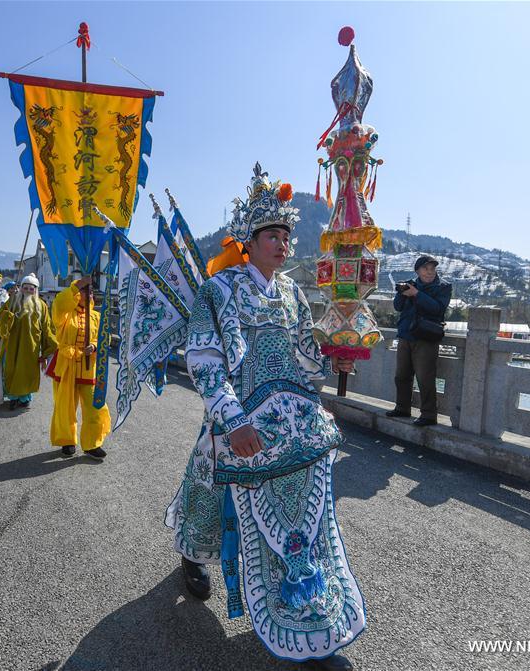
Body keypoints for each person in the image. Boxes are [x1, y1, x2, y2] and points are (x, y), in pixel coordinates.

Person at [165, 164, 363, 670]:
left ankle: (308, 604)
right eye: (271, 235)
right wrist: (232, 419)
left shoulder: (293, 295)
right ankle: (193, 553)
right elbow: (205, 359)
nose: (281, 243)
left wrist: (332, 356)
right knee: (209, 478)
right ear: (248, 242)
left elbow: (302, 359)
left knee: (306, 511)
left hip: (290, 422)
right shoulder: (221, 289)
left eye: (285, 235)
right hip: (240, 415)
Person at [47, 275, 111, 460]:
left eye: (90, 292)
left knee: (96, 407)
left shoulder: (97, 317)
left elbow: (104, 339)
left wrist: (95, 346)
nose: (88, 294)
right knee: (65, 407)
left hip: (89, 369)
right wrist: (79, 284)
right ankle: (67, 441)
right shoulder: (64, 314)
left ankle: (92, 444)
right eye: (84, 291)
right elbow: (59, 303)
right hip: (67, 366)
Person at [387, 255, 452, 426]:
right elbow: (398, 307)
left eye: (432, 269)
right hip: (405, 335)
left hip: (426, 337)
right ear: (418, 271)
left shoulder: (443, 287)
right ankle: (402, 408)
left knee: (425, 378)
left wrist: (417, 294)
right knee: (401, 375)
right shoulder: (411, 283)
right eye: (425, 269)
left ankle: (429, 415)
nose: (430, 272)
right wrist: (402, 293)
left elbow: (438, 309)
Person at [0, 274, 57, 410]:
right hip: (12, 345)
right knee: (11, 370)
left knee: (27, 373)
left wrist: (49, 348)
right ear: (21, 288)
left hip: (31, 347)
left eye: (31, 289)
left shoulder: (42, 306)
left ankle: (25, 398)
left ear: (36, 290)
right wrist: (8, 316)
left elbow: (47, 328)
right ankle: (13, 398)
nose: (28, 291)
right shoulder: (12, 301)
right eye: (25, 288)